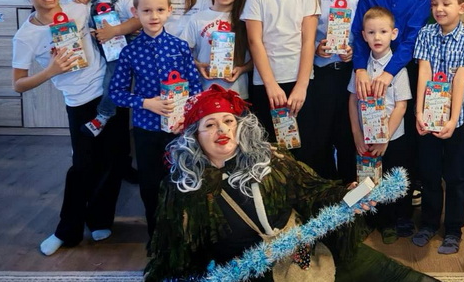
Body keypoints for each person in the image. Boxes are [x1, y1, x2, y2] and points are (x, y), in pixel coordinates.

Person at [145, 85, 443, 282]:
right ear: (195, 137)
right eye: (210, 125)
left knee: (395, 275)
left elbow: (313, 191)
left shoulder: (270, 158)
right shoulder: (183, 187)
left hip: (304, 248)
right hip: (250, 270)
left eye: (228, 121)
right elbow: (176, 254)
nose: (221, 130)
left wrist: (346, 195)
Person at [12, 0, 124, 256]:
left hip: (109, 94)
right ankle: (67, 230)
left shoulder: (78, 9)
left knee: (112, 161)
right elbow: (18, 84)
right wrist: (50, 70)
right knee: (82, 167)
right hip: (79, 103)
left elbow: (109, 13)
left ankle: (100, 219)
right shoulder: (25, 36)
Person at [109, 0, 203, 237]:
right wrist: (146, 102)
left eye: (160, 10)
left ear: (169, 11)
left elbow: (195, 87)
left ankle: (180, 234)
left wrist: (188, 116)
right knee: (150, 183)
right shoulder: (130, 52)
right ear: (135, 12)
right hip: (146, 129)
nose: (154, 16)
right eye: (147, 10)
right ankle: (156, 236)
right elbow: (116, 93)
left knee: (180, 179)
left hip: (178, 130)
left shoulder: (180, 47)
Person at [352, 0, 432, 205]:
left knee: (403, 138)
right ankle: (367, 200)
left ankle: (402, 202)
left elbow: (412, 37)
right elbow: (359, 32)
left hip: (404, 68)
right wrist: (360, 69)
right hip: (370, 64)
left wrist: (390, 72)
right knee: (367, 127)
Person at [412, 0, 464, 254]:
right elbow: (424, 72)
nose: (439, 9)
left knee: (456, 176)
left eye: (446, 4)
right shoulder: (426, 34)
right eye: (435, 4)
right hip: (429, 117)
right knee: (429, 173)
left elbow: (461, 80)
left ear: (462, 7)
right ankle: (428, 223)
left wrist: (452, 119)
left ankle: (453, 229)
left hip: (458, 120)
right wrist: (419, 112)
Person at [240, 0, 320, 145]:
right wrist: (271, 85)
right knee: (270, 147)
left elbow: (308, 41)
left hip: (299, 80)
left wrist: (301, 86)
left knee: (301, 147)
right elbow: (255, 41)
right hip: (266, 82)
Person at [348, 6, 413, 243]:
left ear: (393, 34)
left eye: (383, 32)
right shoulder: (361, 69)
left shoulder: (397, 68)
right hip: (365, 138)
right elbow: (353, 99)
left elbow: (401, 107)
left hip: (392, 139)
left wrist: (384, 138)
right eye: (371, 32)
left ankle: (389, 222)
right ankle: (367, 221)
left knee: (389, 181)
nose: (377, 37)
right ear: (363, 35)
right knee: (365, 180)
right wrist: (356, 133)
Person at [308, 0, 361, 180]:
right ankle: (326, 186)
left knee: (347, 132)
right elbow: (302, 34)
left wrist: (355, 51)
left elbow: (367, 33)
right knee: (321, 132)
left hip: (350, 73)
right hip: (322, 73)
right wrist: (316, 48)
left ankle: (350, 185)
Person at [81, 0, 142, 137]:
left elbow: (138, 20)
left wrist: (115, 30)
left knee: (112, 80)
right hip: (100, 47)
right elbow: (89, 22)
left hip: (121, 49)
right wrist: (80, 1)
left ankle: (103, 115)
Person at [182, 0, 252, 98]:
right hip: (204, 91)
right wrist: (198, 65)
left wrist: (242, 69)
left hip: (237, 93)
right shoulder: (197, 19)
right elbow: (183, 52)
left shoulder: (245, 19)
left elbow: (257, 56)